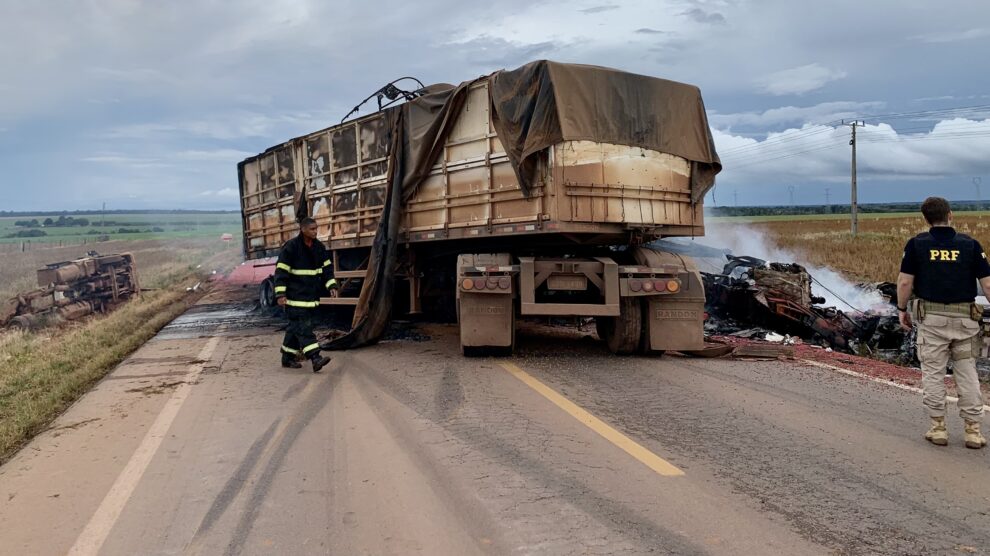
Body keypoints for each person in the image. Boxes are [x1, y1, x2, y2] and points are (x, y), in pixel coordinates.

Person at [897, 197, 988, 449]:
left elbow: (905, 282)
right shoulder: (970, 245)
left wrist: (902, 309)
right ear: (950, 215)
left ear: (925, 218)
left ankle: (938, 428)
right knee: (967, 372)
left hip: (931, 321)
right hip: (965, 322)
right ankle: (973, 430)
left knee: (934, 373)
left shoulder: (917, 245)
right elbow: (988, 284)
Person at [274, 217, 337, 372]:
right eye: (312, 229)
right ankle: (315, 357)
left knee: (295, 328)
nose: (316, 232)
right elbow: (281, 272)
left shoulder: (319, 248)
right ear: (302, 229)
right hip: (294, 299)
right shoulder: (291, 247)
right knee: (304, 328)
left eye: (316, 228)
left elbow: (327, 269)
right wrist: (280, 294)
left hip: (310, 298)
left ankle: (287, 358)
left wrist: (332, 286)